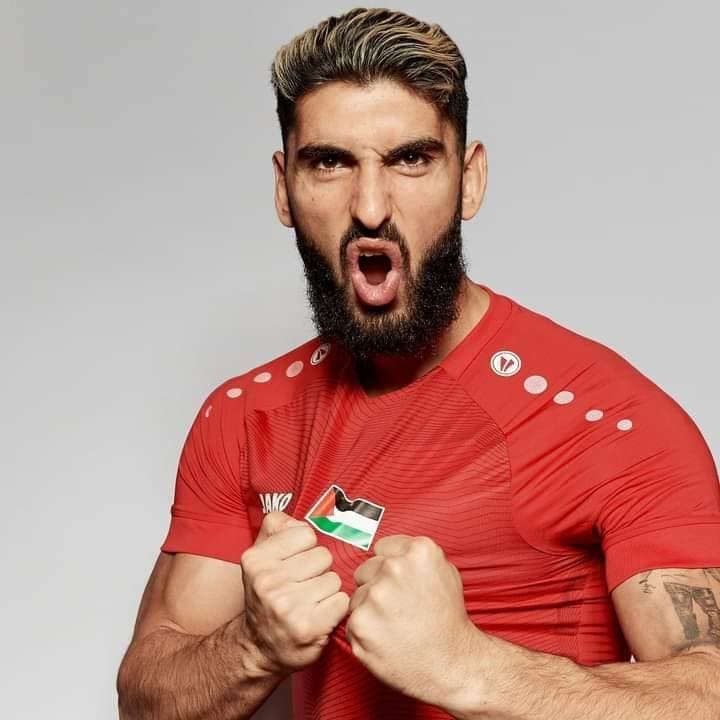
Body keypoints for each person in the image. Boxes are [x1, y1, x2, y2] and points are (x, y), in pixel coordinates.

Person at [116, 7, 720, 719]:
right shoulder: (246, 417)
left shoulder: (605, 421)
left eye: (411, 159)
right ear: (284, 188)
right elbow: (145, 697)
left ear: (470, 179)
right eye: (329, 163)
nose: (371, 208)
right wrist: (253, 646)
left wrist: (471, 668)